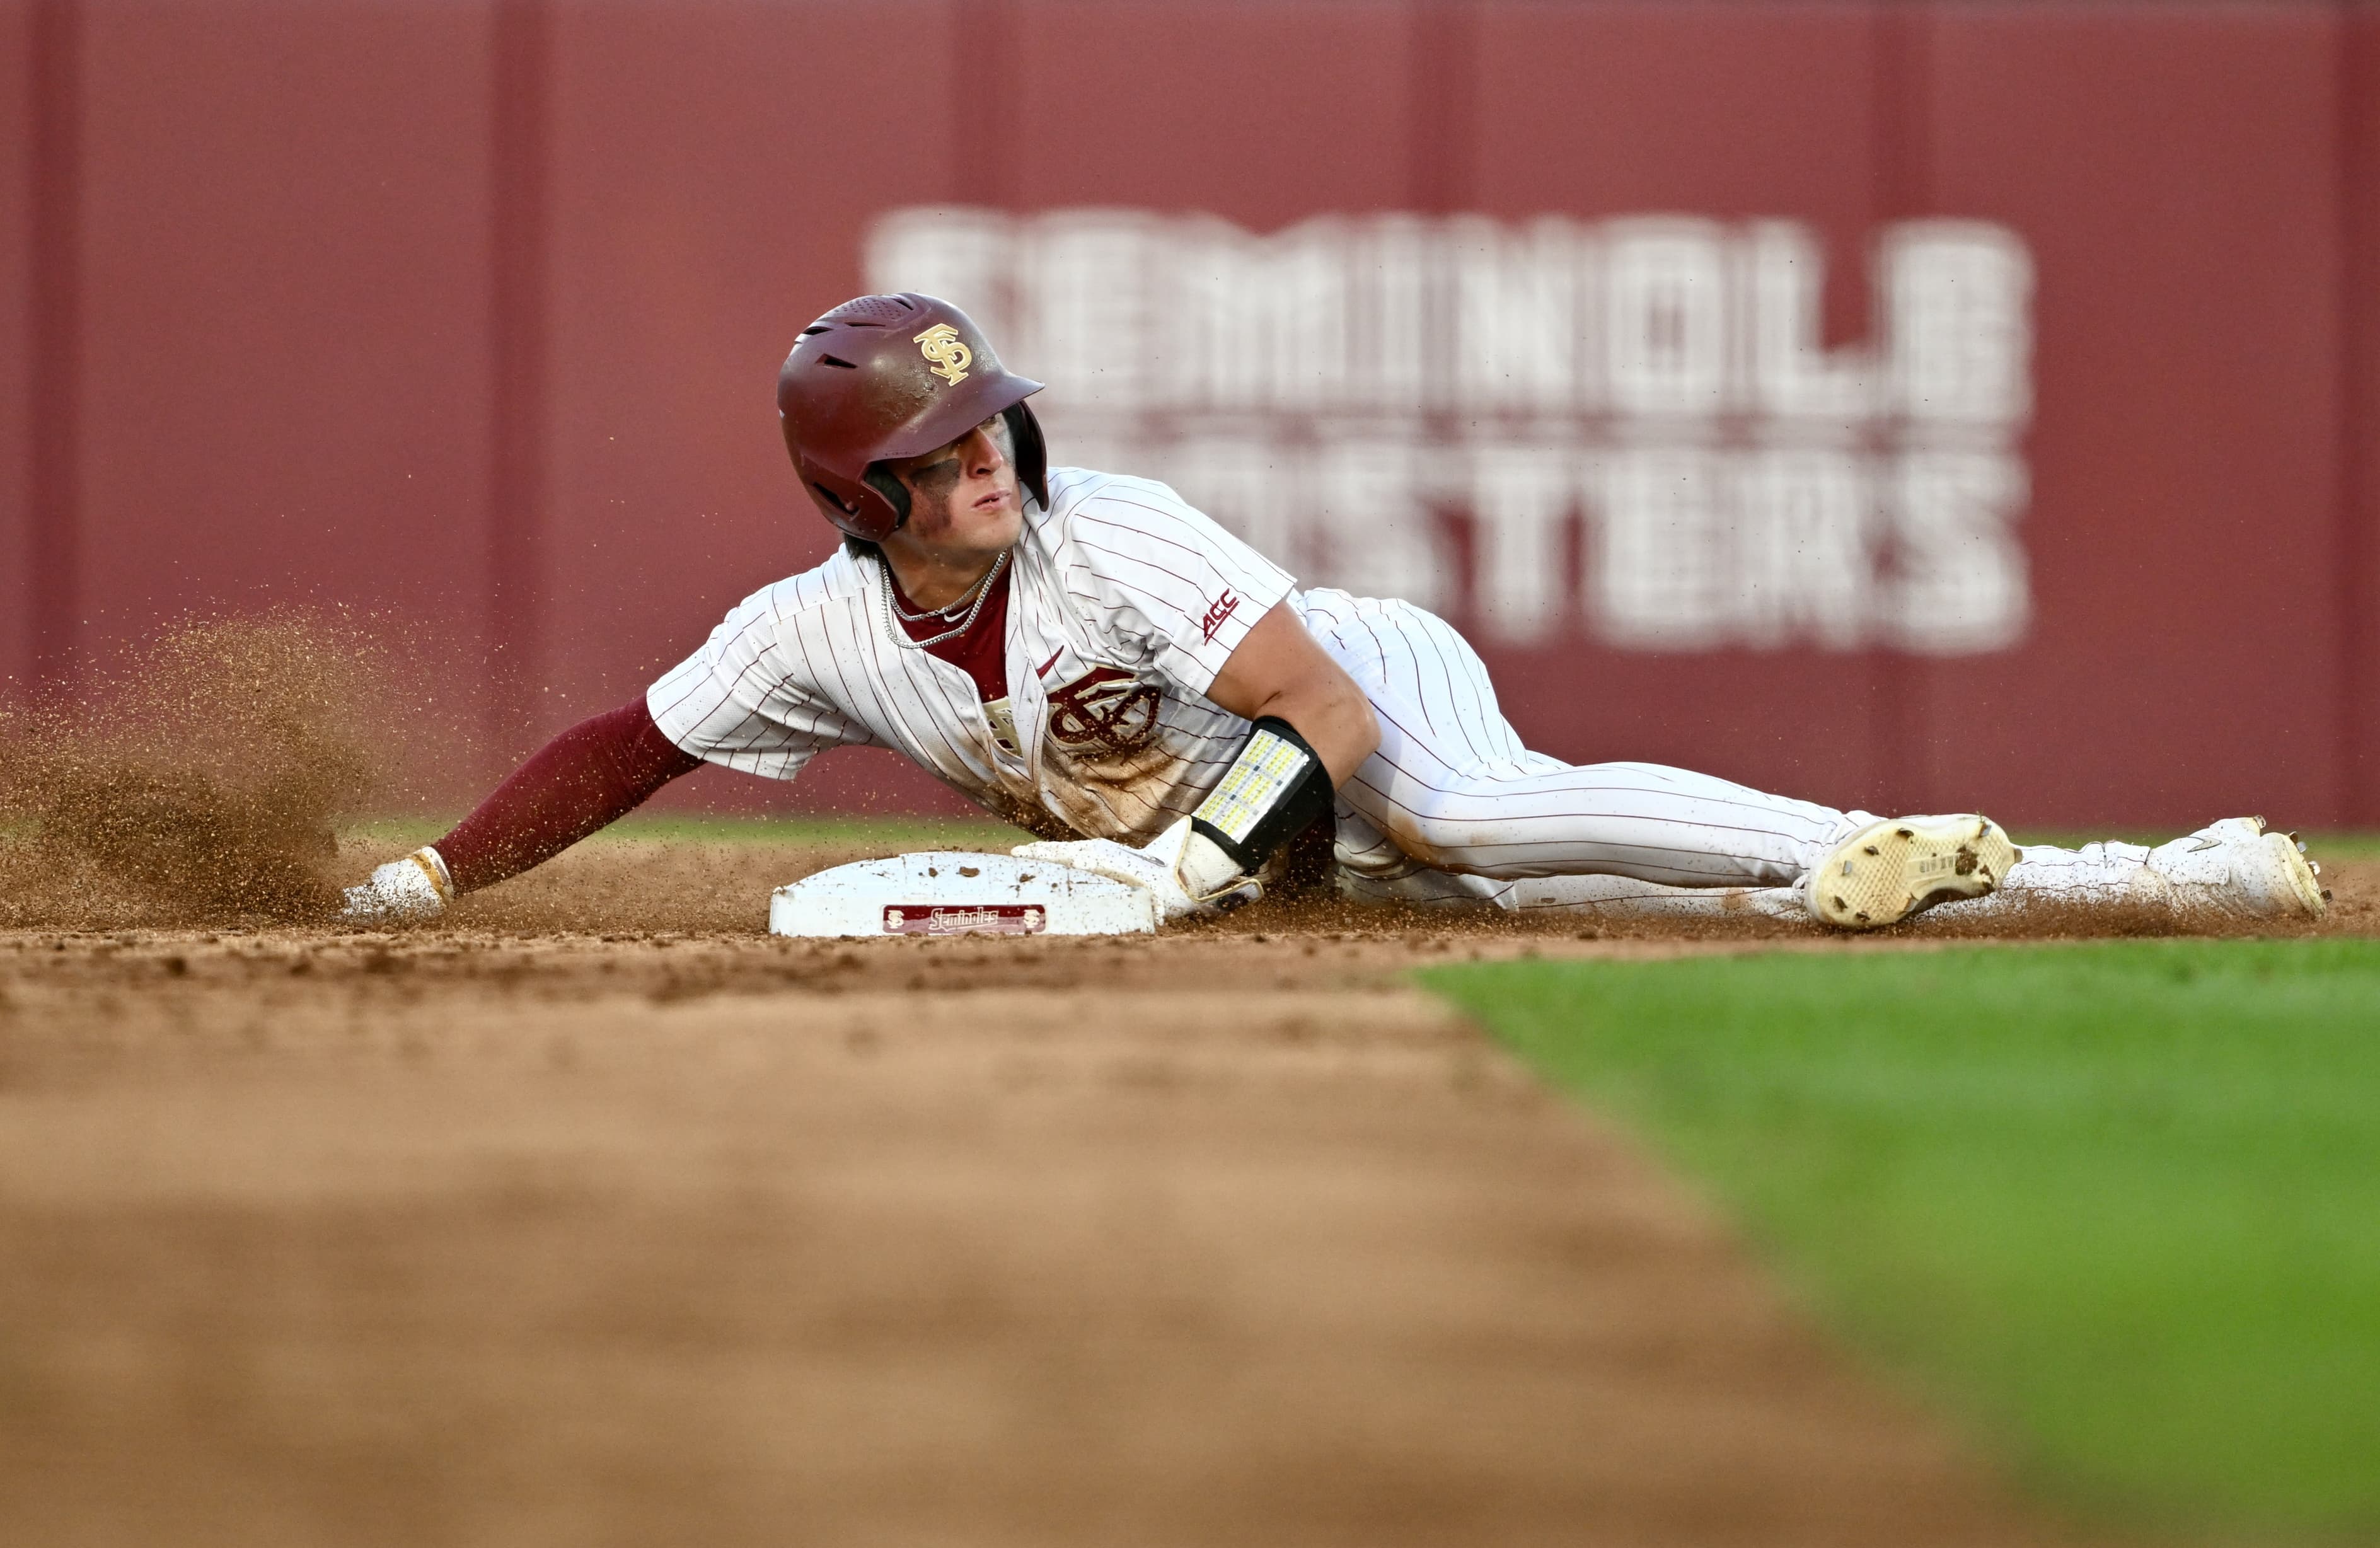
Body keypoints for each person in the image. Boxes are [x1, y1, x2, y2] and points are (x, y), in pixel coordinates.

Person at [342, 294, 2328, 930]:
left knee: (1466, 823)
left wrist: (1193, 873)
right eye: (943, 457)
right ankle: (2171, 878)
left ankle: (1833, 861)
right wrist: (433, 876)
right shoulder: (818, 634)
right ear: (858, 497)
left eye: (991, 431)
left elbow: (1325, 717)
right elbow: (631, 745)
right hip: (1270, 828)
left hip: (1363, 698)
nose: (988, 468)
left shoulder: (1103, 537)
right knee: (1578, 903)